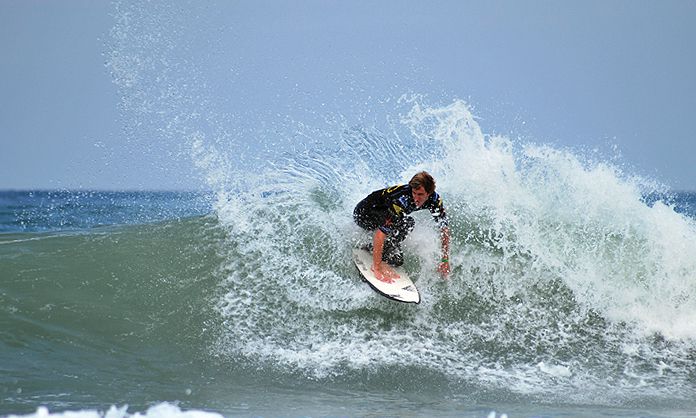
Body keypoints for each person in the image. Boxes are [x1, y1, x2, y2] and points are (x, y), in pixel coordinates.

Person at [353, 171, 450, 283]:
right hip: (364, 214)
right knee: (400, 224)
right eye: (414, 193)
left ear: (429, 193)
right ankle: (377, 260)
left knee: (397, 256)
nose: (416, 198)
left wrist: (445, 259)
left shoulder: (435, 200)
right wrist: (377, 269)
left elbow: (444, 229)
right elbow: (381, 233)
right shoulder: (401, 200)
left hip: (381, 211)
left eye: (420, 194)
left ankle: (372, 248)